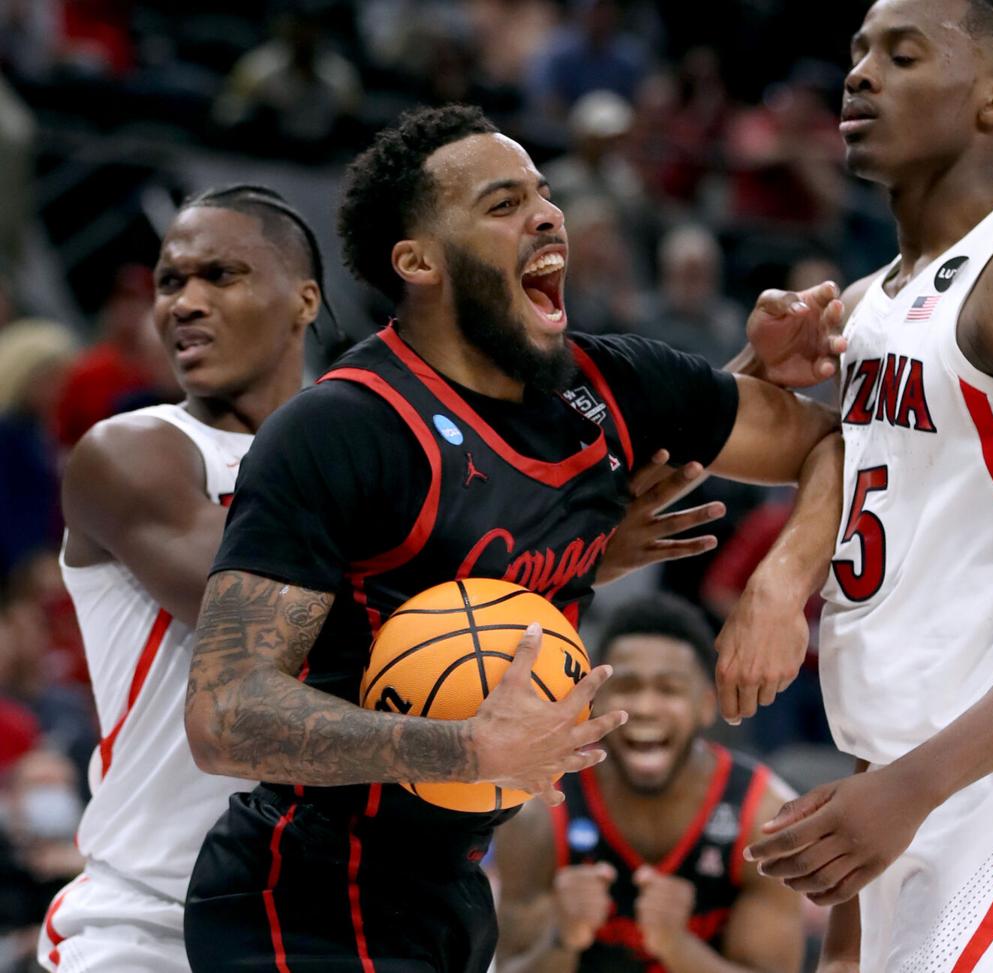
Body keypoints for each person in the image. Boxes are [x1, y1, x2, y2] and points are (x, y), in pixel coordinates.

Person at [182, 104, 845, 973]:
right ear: (418, 261)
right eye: (501, 205)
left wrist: (778, 583)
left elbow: (831, 439)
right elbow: (223, 714)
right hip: (305, 888)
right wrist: (464, 748)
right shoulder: (340, 430)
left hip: (454, 891)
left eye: (542, 192)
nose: (545, 214)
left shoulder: (614, 385)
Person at [727, 1, 993, 970]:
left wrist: (914, 785)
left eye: (903, 54)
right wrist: (750, 374)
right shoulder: (875, 300)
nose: (862, 75)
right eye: (858, 52)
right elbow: (810, 446)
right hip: (903, 772)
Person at [35, 184, 327, 973]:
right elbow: (256, 615)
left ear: (305, 299)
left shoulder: (365, 464)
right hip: (155, 923)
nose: (185, 303)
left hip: (321, 919)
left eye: (221, 275)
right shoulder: (136, 450)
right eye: (172, 282)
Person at [493, 594, 805, 972]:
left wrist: (677, 946)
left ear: (706, 705)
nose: (644, 706)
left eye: (668, 689)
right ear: (594, 700)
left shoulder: (763, 819)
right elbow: (511, 964)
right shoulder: (539, 810)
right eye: (627, 686)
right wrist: (562, 937)